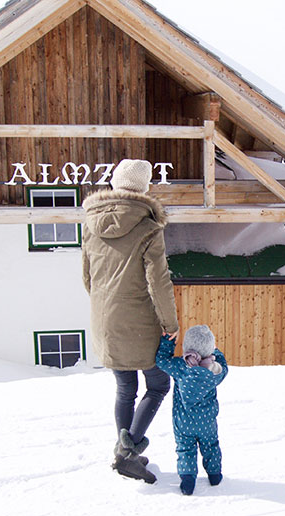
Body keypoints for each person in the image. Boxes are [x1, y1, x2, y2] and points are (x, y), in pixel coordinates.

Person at [82, 158, 179, 484]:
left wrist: (106, 307)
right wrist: (170, 325)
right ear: (144, 188)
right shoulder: (149, 228)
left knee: (125, 388)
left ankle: (123, 450)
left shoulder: (90, 224)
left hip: (105, 320)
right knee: (158, 385)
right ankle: (128, 452)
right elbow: (159, 282)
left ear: (114, 182)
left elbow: (87, 277)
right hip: (140, 322)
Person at [154, 324, 228, 496]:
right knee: (211, 446)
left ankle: (188, 481)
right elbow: (225, 366)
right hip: (207, 422)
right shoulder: (215, 370)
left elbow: (161, 360)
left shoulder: (180, 366)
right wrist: (216, 352)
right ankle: (215, 475)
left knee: (185, 449)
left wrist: (168, 341)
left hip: (183, 422)